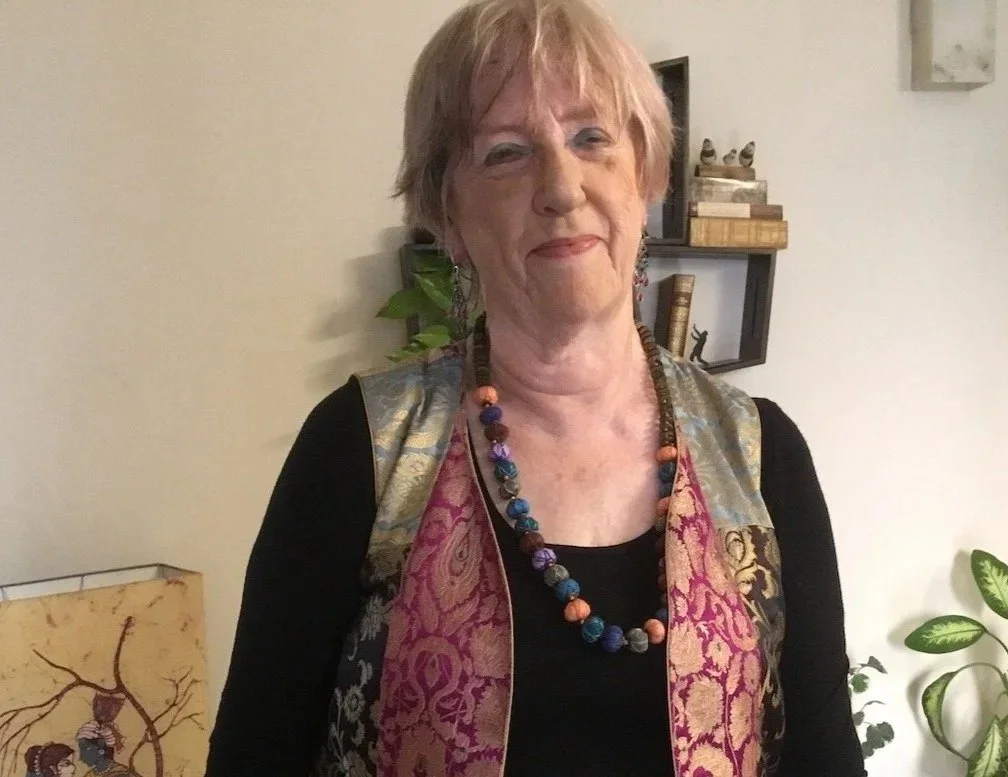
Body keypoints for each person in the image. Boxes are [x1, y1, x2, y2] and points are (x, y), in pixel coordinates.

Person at [206, 0, 865, 775]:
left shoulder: (761, 456)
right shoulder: (361, 449)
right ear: (446, 213)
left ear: (647, 174)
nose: (561, 185)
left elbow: (825, 757)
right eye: (506, 153)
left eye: (592, 138)